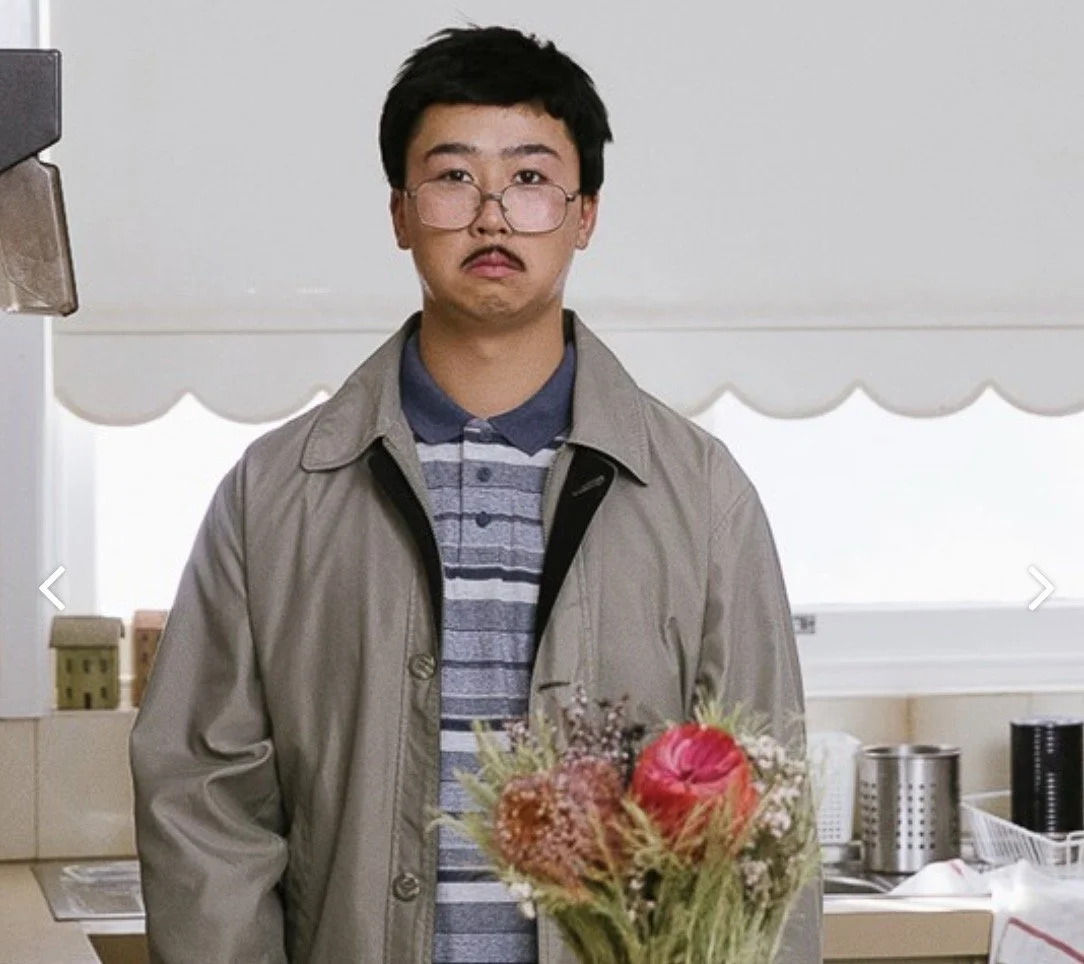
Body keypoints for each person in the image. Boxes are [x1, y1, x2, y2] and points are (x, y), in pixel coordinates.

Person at [130, 24, 821, 964]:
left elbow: (763, 834)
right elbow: (202, 802)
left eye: (532, 179)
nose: (493, 216)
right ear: (400, 213)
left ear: (585, 216)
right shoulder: (274, 494)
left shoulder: (700, 497)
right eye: (454, 177)